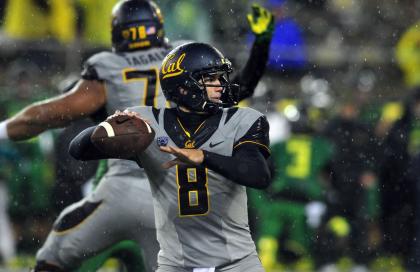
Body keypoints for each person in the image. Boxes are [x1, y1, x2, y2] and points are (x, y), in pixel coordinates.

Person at [0, 0, 274, 270]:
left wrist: (4, 130)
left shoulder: (111, 69)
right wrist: (261, 45)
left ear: (119, 31)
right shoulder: (184, 59)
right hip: (175, 197)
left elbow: (55, 116)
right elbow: (239, 89)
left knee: (54, 256)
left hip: (124, 189)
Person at [70, 41, 274, 272]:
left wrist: (203, 156)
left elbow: (259, 175)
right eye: (210, 79)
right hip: (175, 265)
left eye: (220, 78)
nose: (220, 85)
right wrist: (107, 128)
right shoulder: (146, 123)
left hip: (237, 264)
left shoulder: (242, 120)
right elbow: (77, 150)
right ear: (184, 87)